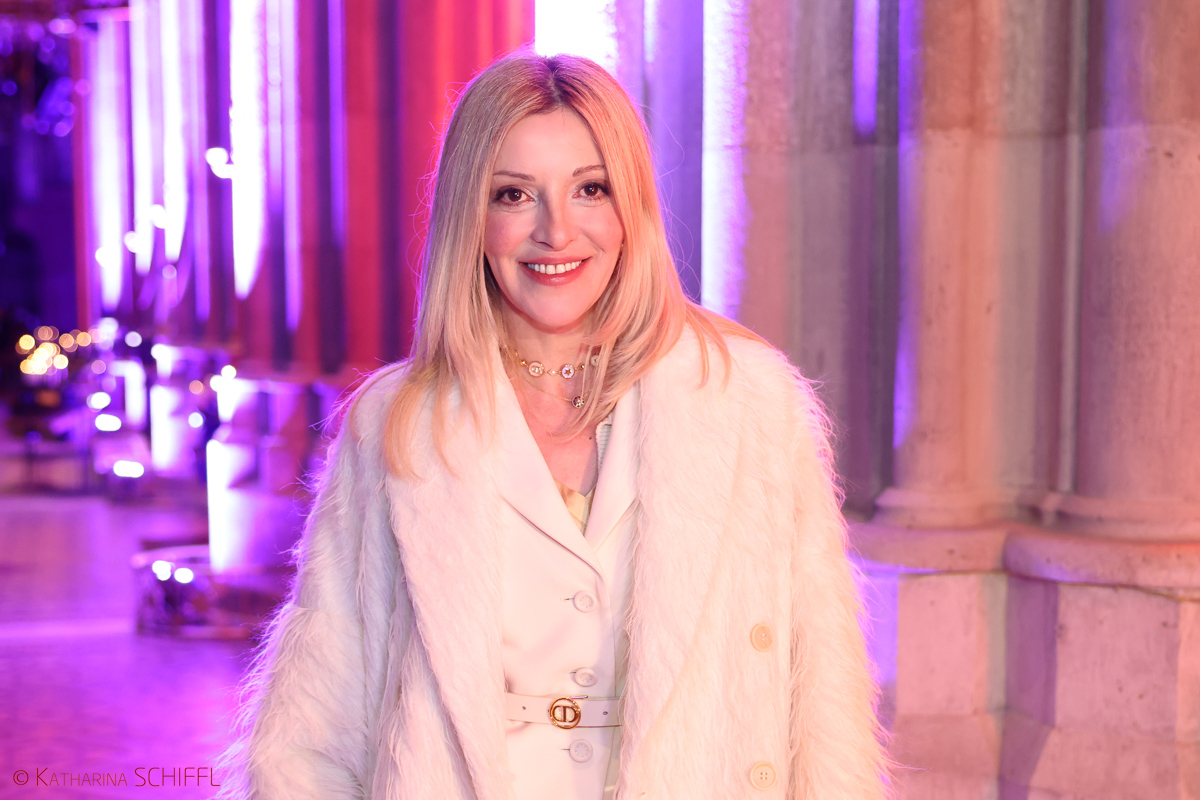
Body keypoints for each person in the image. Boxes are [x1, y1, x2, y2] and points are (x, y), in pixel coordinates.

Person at [220, 52, 889, 799]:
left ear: (630, 208)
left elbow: (823, 692)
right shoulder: (394, 426)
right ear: (472, 220)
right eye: (514, 195)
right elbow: (315, 720)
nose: (557, 231)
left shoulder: (749, 402)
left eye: (590, 189)